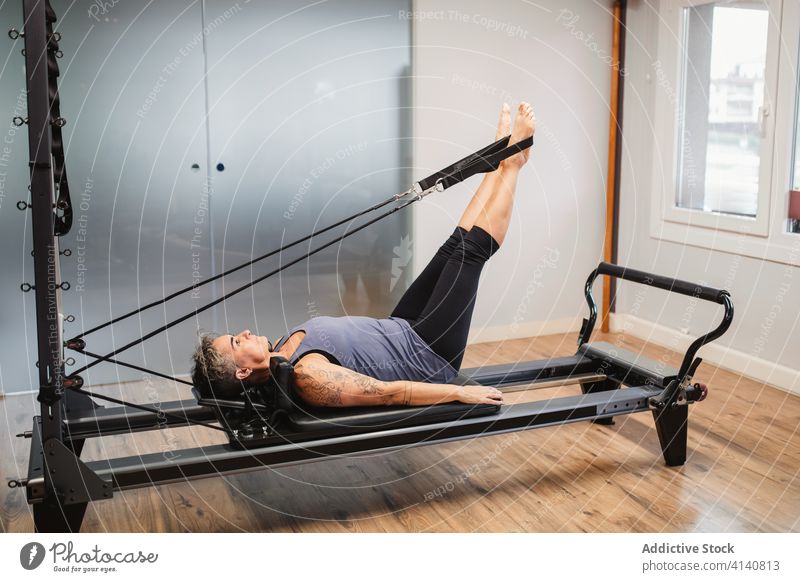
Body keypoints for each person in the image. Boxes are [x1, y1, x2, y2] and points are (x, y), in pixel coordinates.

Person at [192, 102, 535, 408]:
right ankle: (515, 163)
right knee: (471, 253)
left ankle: (499, 162)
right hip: (429, 356)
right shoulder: (308, 377)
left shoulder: (282, 348)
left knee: (453, 246)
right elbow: (388, 392)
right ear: (242, 372)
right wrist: (459, 393)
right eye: (238, 341)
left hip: (402, 329)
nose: (247, 332)